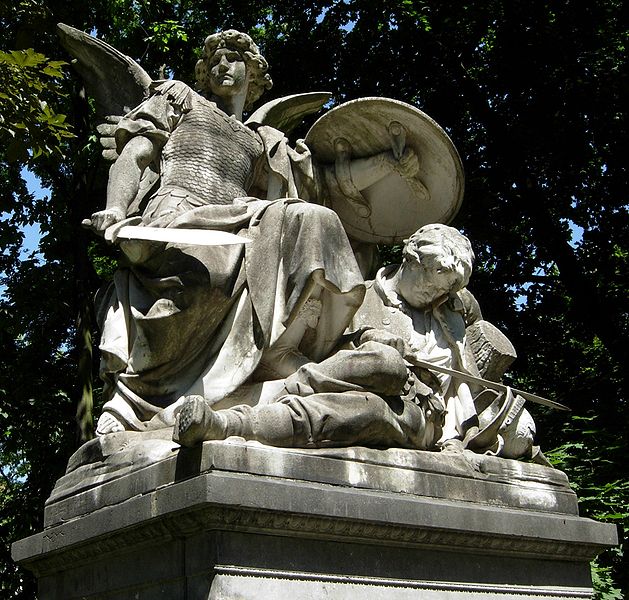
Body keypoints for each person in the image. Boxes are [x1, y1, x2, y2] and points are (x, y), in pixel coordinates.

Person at [86, 30, 416, 435]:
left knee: (317, 220)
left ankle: (297, 348)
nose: (224, 65)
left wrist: (389, 163)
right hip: (179, 214)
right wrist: (117, 208)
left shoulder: (261, 141)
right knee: (210, 272)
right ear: (204, 73)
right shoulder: (180, 99)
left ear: (253, 73)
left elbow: (326, 183)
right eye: (216, 59)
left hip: (241, 223)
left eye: (234, 58)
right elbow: (136, 152)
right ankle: (145, 396)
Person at [173, 224, 482, 451]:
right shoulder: (356, 297)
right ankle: (267, 402)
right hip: (351, 380)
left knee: (371, 409)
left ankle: (230, 424)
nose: (438, 292)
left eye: (448, 287)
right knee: (384, 362)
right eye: (434, 279)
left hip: (416, 411)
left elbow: (477, 377)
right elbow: (322, 352)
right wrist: (364, 337)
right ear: (411, 258)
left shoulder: (453, 315)